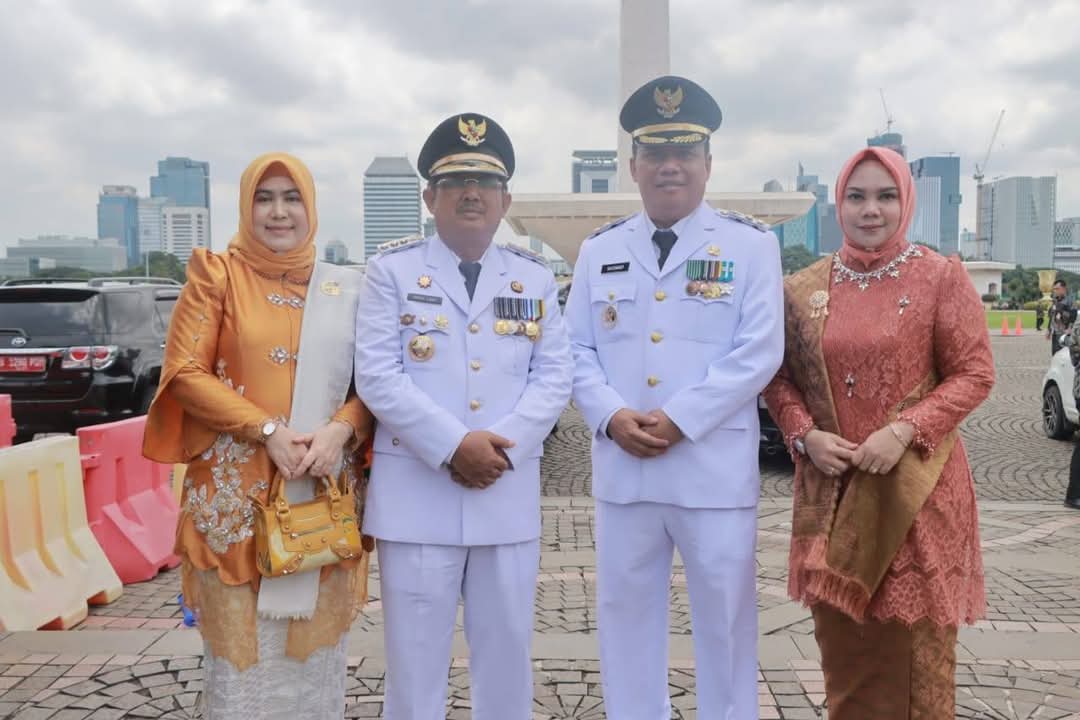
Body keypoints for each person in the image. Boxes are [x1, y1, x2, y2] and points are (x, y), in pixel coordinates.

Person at [565, 75, 784, 719]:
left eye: (684, 152)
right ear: (633, 166)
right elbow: (573, 350)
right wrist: (610, 415)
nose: (670, 166)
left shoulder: (750, 246)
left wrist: (682, 419)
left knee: (727, 624)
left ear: (708, 164)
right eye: (656, 153)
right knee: (625, 621)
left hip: (713, 471)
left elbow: (759, 351)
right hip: (625, 471)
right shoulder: (599, 250)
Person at [762, 146, 995, 719]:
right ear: (838, 204)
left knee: (918, 660)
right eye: (857, 196)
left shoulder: (940, 277)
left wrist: (904, 431)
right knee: (847, 655)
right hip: (833, 494)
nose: (871, 210)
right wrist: (806, 436)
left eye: (886, 196)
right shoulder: (802, 289)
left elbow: (975, 373)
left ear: (906, 202)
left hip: (915, 497)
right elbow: (777, 379)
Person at [354, 113, 573, 719]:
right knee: (414, 665)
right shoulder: (391, 271)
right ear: (430, 197)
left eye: (485, 182)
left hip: (504, 494)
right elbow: (377, 375)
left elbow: (554, 376)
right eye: (455, 182)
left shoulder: (532, 278)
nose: (471, 193)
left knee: (506, 658)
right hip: (417, 501)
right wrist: (454, 446)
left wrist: (500, 447)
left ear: (506, 201)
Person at [143, 152, 374, 719]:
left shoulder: (347, 288)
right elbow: (184, 372)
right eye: (263, 199)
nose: (278, 212)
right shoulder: (217, 276)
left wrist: (343, 429)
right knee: (240, 668)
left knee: (313, 665)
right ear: (245, 207)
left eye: (291, 198)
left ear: (311, 207)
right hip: (235, 510)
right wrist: (265, 429)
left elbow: (376, 384)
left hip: (320, 498)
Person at [1049, 279, 1075, 355]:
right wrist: (1049, 329)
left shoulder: (1070, 301)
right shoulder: (1055, 301)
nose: (1055, 291)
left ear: (1064, 289)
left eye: (1057, 289)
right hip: (1055, 333)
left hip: (1065, 334)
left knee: (1064, 355)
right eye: (1054, 289)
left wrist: (1070, 328)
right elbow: (1052, 316)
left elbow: (1074, 317)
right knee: (1055, 354)